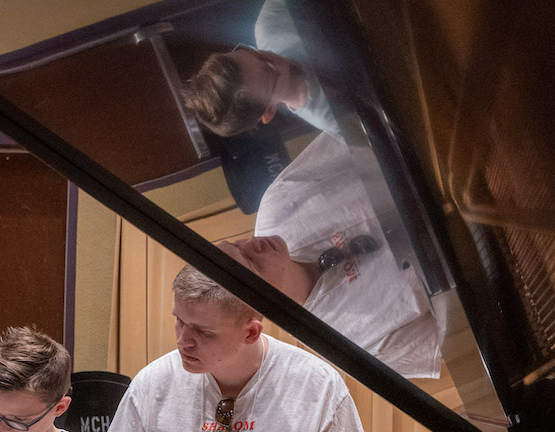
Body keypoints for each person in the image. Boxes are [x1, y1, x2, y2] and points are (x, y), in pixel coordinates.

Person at [98, 264, 374, 432]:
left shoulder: (319, 386)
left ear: (251, 332)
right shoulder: (152, 384)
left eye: (203, 333)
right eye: (179, 321)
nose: (182, 342)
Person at [219, 132, 444, 379]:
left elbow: (350, 134)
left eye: (238, 243)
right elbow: (449, 338)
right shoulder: (343, 344)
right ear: (259, 309)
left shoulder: (276, 204)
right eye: (252, 261)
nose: (254, 242)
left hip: (436, 153)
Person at [182, 0, 338, 136]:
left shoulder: (271, 24)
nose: (272, 56)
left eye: (255, 53)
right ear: (268, 112)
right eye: (269, 71)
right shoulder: (330, 116)